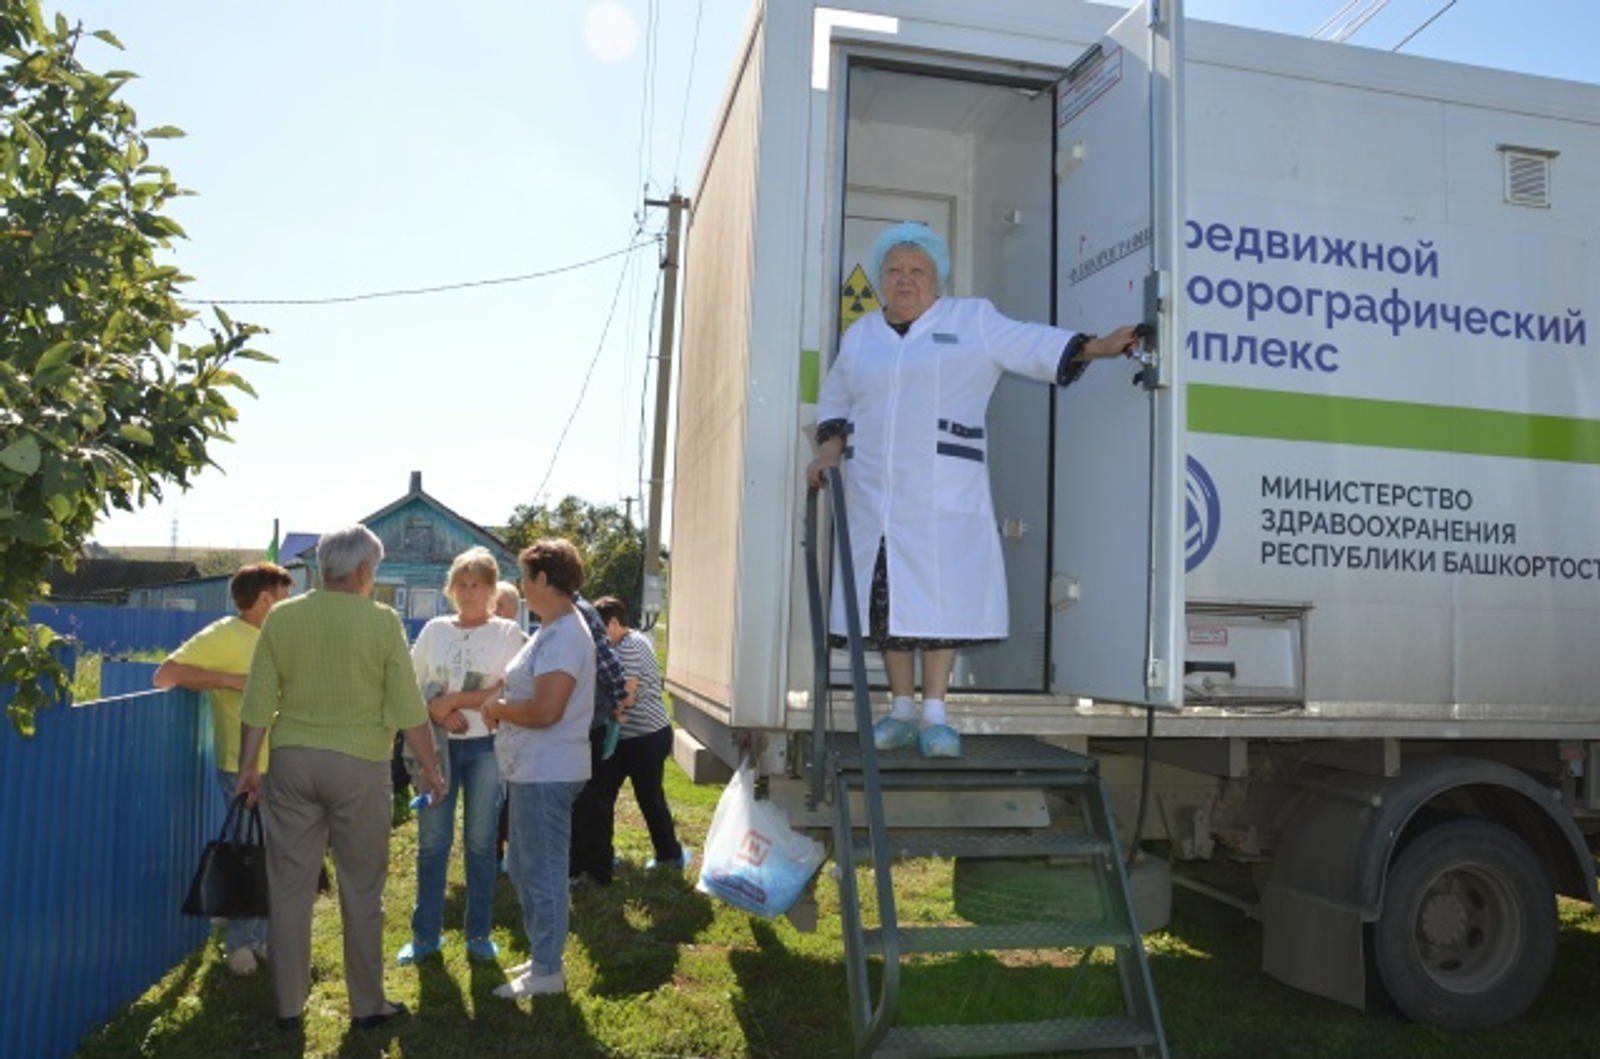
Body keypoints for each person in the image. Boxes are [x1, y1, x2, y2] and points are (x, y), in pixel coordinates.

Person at [806, 221, 1141, 759]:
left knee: (940, 602)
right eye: (894, 270)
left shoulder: (971, 321)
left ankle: (936, 714)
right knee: (888, 603)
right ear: (879, 280)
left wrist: (1097, 347)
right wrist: (828, 451)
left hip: (943, 496)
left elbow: (1033, 342)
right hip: (874, 496)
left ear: (938, 279)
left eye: (918, 270)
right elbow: (835, 402)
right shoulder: (861, 336)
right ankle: (901, 709)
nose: (905, 279)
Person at [237, 524, 445, 1033]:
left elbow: (259, 697)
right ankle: (367, 1005)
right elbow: (406, 704)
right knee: (360, 888)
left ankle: (288, 1008)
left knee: (289, 888)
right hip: (359, 765)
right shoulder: (381, 622)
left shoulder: (283, 617)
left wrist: (248, 766)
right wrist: (430, 769)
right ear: (362, 571)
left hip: (291, 763)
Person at [153, 561, 293, 977]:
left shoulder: (272, 637)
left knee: (274, 855)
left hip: (282, 763)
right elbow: (165, 675)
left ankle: (263, 938)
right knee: (248, 854)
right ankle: (239, 945)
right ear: (264, 599)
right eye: (283, 598)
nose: (288, 605)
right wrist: (229, 681)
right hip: (243, 766)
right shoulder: (224, 634)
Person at [397, 547, 526, 966]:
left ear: (492, 590)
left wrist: (451, 703)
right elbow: (412, 685)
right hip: (436, 749)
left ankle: (477, 934)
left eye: (477, 585)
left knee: (481, 842)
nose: (469, 593)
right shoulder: (435, 630)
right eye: (462, 585)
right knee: (433, 842)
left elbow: (507, 689)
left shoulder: (508, 632)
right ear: (451, 589)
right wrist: (436, 711)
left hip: (487, 748)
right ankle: (425, 936)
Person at [482, 539, 596, 1000]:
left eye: (526, 578)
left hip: (548, 770)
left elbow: (548, 710)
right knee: (528, 868)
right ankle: (542, 955)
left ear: (545, 579)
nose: (522, 587)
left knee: (542, 870)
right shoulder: (554, 629)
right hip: (532, 769)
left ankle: (548, 971)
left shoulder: (567, 633)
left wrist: (500, 709)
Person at [591, 596, 690, 871]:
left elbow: (627, 696)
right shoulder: (624, 641)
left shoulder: (630, 646)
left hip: (646, 737)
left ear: (614, 622)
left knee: (649, 796)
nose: (596, 637)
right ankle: (603, 855)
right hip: (624, 737)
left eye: (599, 630)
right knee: (603, 794)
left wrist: (603, 711)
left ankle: (669, 856)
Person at [566, 591, 629, 887]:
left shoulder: (578, 613)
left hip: (589, 727)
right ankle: (578, 868)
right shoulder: (571, 612)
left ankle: (594, 872)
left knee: (592, 804)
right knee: (581, 803)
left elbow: (612, 672)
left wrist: (611, 708)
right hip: (582, 726)